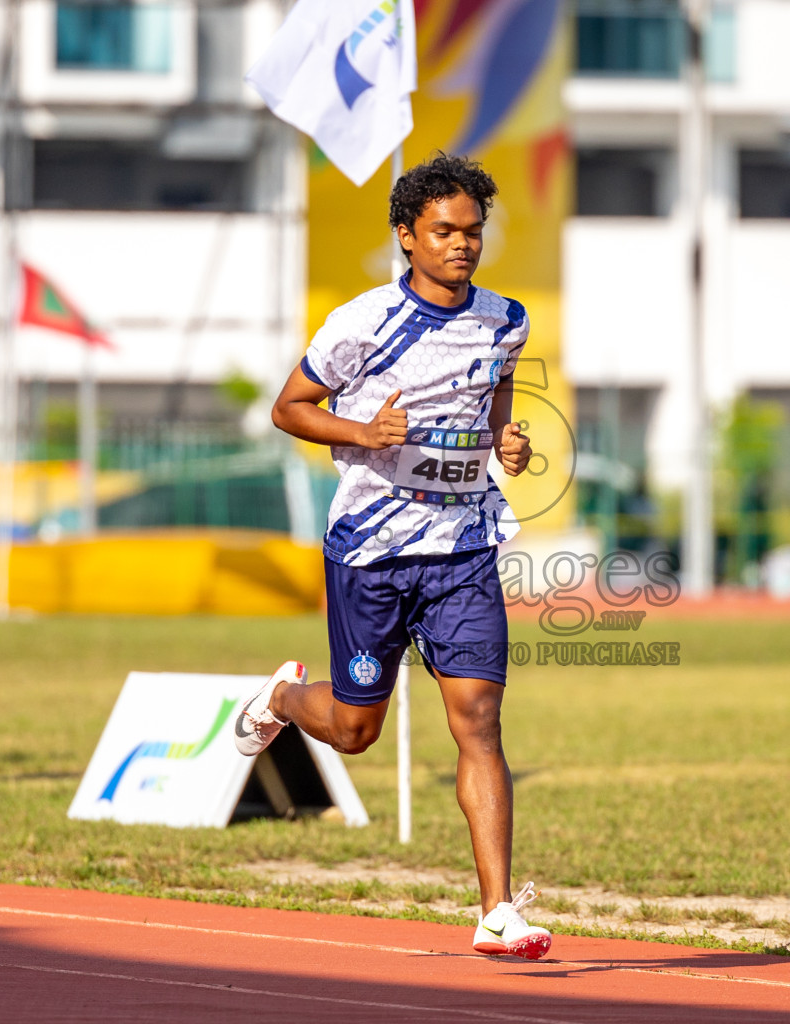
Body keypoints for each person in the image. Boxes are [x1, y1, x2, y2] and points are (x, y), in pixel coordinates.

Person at [229, 154, 551, 960]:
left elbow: (495, 393)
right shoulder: (361, 322)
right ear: (407, 236)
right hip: (372, 551)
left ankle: (496, 910)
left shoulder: (506, 319)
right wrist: (363, 432)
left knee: (478, 720)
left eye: (474, 232)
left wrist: (503, 440)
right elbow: (289, 408)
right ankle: (285, 699)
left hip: (463, 548)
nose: (462, 245)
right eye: (444, 231)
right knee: (354, 729)